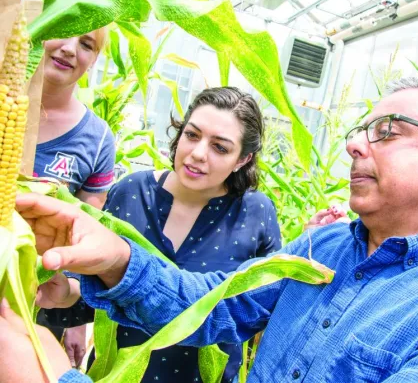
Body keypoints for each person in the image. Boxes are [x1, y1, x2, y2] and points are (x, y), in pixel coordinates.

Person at [2, 77, 418, 382]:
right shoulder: (323, 247)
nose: (355, 144)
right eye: (360, 131)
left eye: (386, 132)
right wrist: (117, 258)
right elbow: (215, 304)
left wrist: (55, 377)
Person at [38, 87, 282, 383]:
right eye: (192, 135)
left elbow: (259, 305)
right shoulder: (131, 192)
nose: (197, 153)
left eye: (220, 147)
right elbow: (99, 296)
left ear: (243, 160)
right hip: (117, 372)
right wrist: (66, 295)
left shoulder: (256, 213)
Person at [34, 29, 116, 369]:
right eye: (62, 33)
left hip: (38, 296)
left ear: (94, 59)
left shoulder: (97, 140)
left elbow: (83, 239)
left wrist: (76, 320)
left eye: (86, 44)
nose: (69, 50)